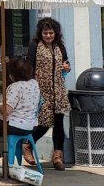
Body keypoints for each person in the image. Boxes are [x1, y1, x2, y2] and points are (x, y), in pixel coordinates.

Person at [24, 17, 72, 169]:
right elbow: (29, 65)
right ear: (40, 33)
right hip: (42, 89)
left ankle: (58, 157)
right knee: (45, 122)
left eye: (51, 33)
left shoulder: (60, 47)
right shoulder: (35, 45)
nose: (48, 36)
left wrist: (67, 68)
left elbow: (66, 64)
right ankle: (28, 145)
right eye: (45, 33)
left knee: (59, 122)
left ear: (56, 33)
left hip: (58, 89)